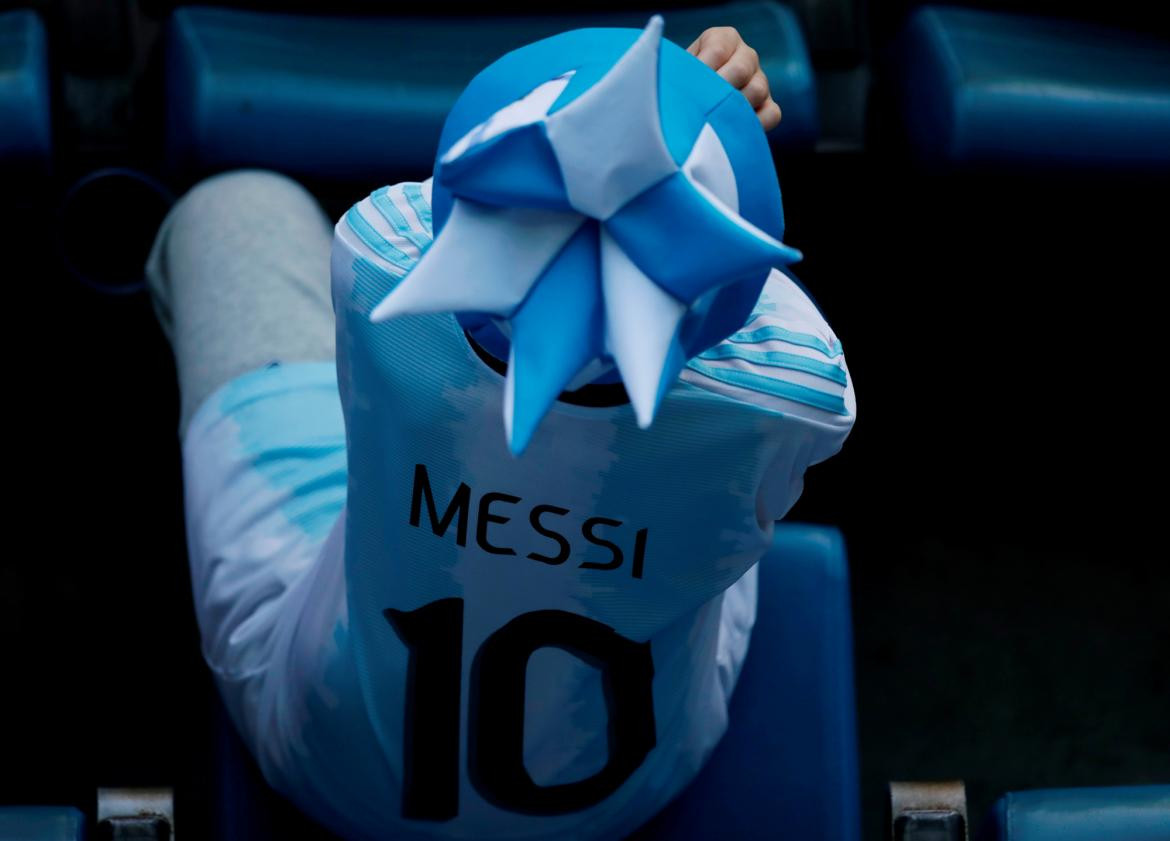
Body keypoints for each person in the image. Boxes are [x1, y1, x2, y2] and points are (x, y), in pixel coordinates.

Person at [147, 21, 854, 841]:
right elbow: (744, 290)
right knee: (736, 493)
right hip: (624, 797)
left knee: (236, 207)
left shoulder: (375, 256)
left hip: (329, 762)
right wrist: (699, 124)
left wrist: (633, 121)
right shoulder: (790, 389)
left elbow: (459, 184)